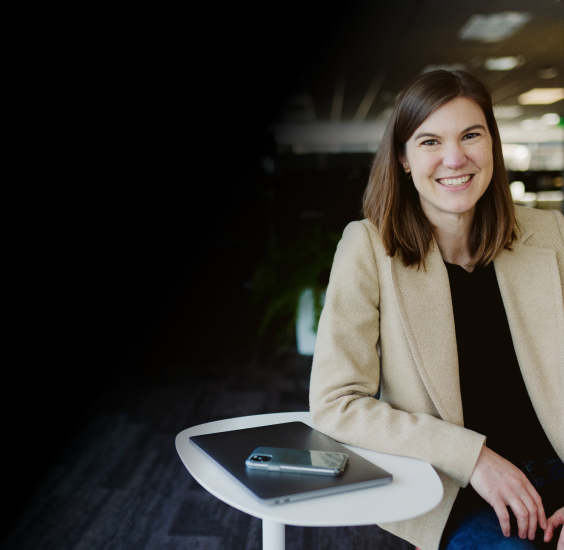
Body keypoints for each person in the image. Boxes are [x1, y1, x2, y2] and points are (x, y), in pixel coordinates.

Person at [309, 70, 564, 550]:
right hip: (459, 488)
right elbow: (336, 403)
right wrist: (475, 458)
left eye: (471, 135)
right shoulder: (367, 248)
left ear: (492, 145)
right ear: (404, 158)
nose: (455, 158)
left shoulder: (550, 234)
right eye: (430, 141)